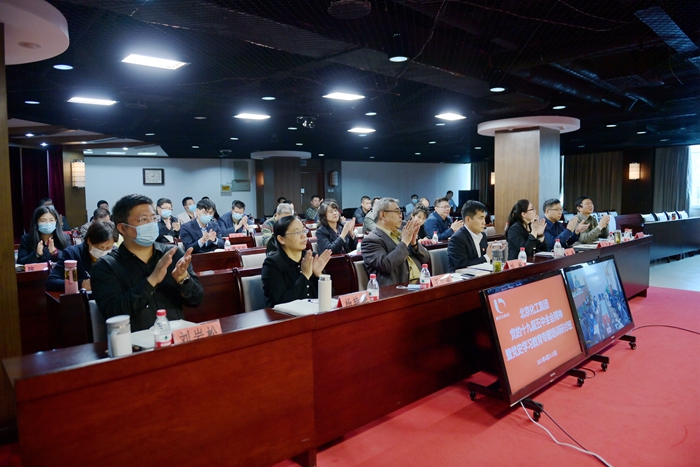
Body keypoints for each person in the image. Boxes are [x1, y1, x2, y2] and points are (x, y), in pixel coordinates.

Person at [91, 194, 203, 332]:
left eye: (153, 218)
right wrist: (152, 280)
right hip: (133, 342)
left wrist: (183, 279)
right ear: (122, 228)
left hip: (174, 338)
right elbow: (113, 313)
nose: (151, 224)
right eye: (143, 219)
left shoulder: (173, 254)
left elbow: (196, 300)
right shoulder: (105, 267)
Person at [261, 216, 332, 307]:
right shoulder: (272, 264)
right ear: (281, 239)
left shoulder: (311, 257)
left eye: (304, 231)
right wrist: (305, 275)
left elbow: (329, 297)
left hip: (314, 311)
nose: (304, 236)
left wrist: (319, 275)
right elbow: (281, 302)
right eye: (297, 232)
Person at [362, 198, 430, 286]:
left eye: (400, 212)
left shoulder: (402, 233)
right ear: (383, 215)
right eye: (397, 212)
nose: (401, 215)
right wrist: (404, 243)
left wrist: (414, 244)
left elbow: (426, 258)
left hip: (421, 283)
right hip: (398, 288)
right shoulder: (370, 240)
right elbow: (386, 265)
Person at [46, 221, 117, 292]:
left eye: (108, 248)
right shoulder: (72, 254)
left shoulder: (115, 254)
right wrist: (81, 284)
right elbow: (51, 282)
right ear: (89, 241)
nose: (103, 251)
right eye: (99, 247)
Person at [447, 201, 492, 272]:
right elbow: (463, 266)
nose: (484, 222)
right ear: (468, 220)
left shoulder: (482, 235)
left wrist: (493, 251)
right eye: (481, 218)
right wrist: (487, 257)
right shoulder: (457, 239)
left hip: (481, 274)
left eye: (484, 218)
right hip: (461, 277)